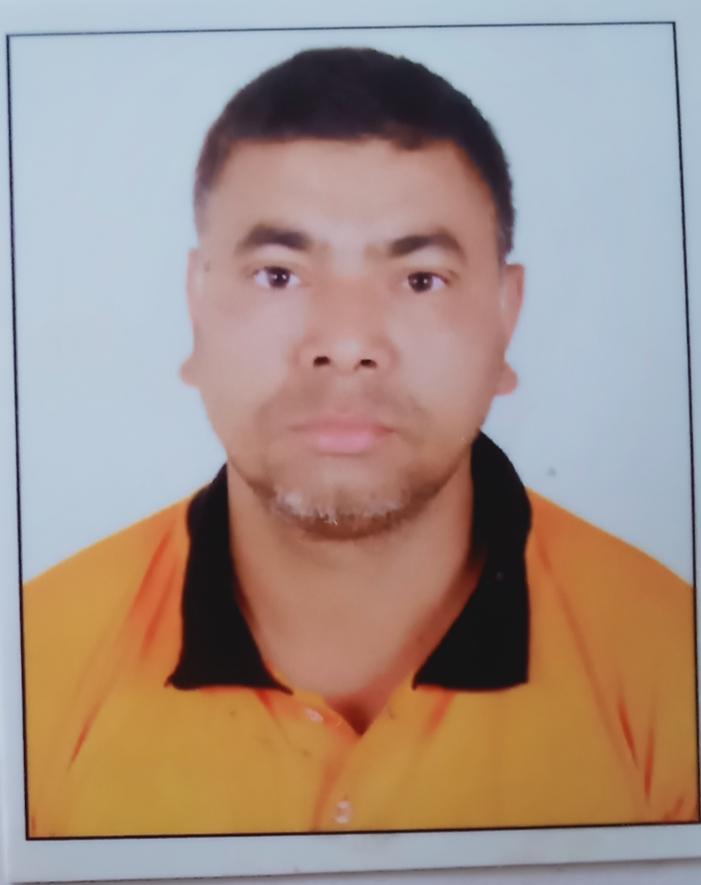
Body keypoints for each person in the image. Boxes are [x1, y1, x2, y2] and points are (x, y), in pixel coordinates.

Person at [23, 46, 698, 838]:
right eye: (278, 273)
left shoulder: (669, 664)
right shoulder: (35, 663)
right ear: (195, 305)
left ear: (505, 316)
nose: (346, 344)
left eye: (419, 279)